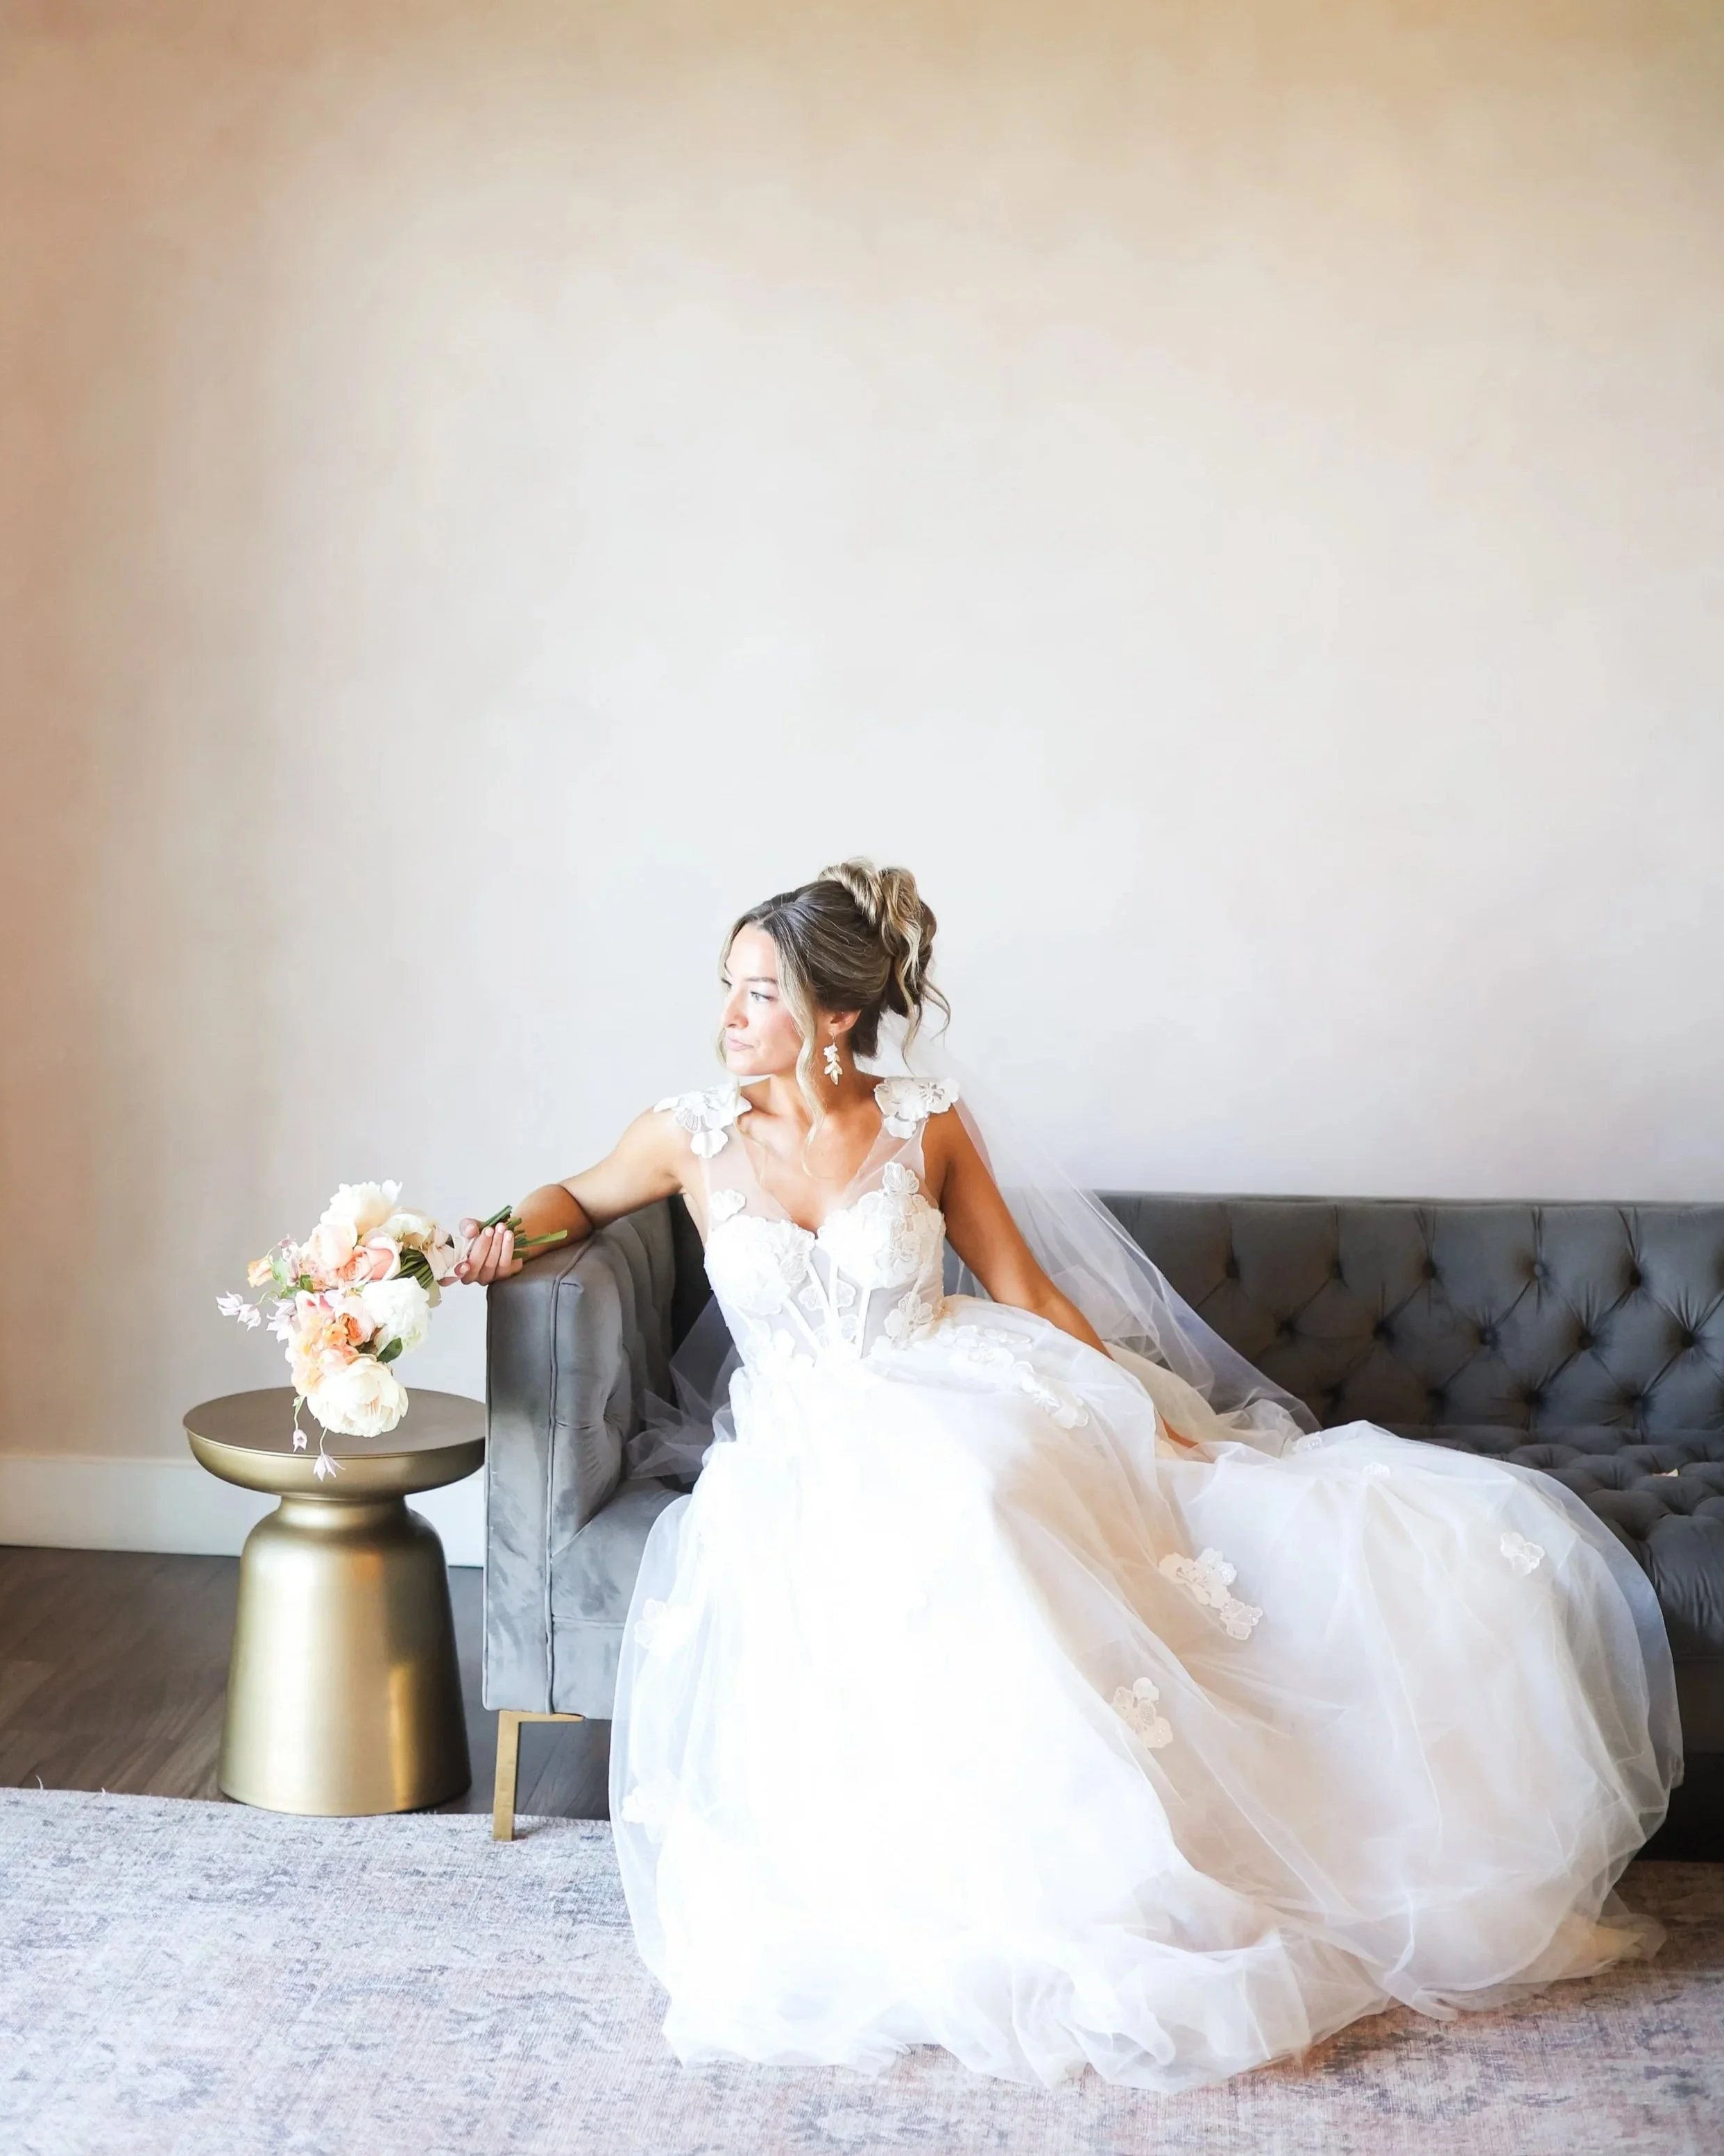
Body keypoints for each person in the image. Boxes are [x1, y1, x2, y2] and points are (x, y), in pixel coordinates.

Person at [448, 858, 1678, 2092]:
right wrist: (513, 1231)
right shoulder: (689, 1130)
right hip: (807, 1435)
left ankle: (1141, 1852)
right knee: (946, 1511)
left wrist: (1151, 1414)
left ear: (831, 1015)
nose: (727, 1016)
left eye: (757, 992)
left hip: (960, 1382)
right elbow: (578, 1193)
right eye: (726, 987)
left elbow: (1027, 1290)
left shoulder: (923, 1119)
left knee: (988, 1491)